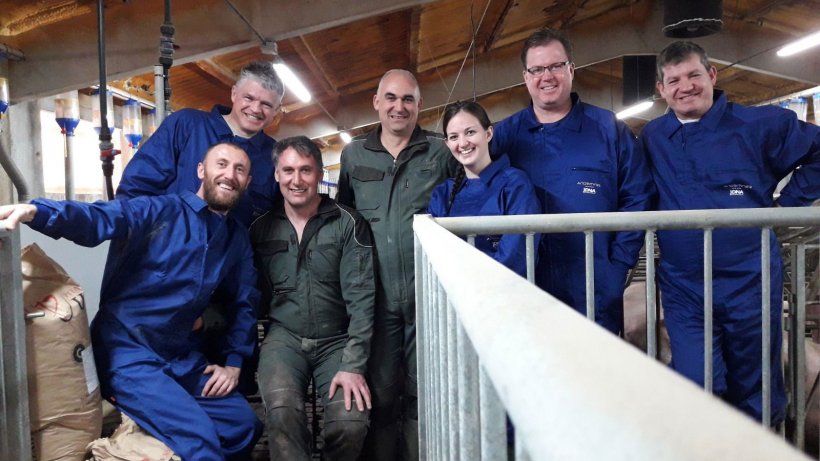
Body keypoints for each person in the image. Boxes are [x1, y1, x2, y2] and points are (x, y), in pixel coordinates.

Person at [0, 142, 263, 461]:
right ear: (201, 171)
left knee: (243, 426)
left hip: (178, 355)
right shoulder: (159, 211)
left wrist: (234, 363)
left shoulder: (236, 238)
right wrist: (38, 212)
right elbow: (100, 218)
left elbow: (245, 302)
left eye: (239, 170)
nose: (229, 174)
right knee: (200, 440)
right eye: (221, 164)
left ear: (247, 182)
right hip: (128, 353)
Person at [640, 40, 820, 424]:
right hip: (684, 286)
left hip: (749, 279)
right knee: (695, 380)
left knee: (755, 382)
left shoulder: (758, 124)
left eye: (693, 75)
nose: (685, 87)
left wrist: (786, 207)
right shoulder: (654, 137)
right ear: (661, 90)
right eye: (673, 80)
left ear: (712, 75)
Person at [491, 27, 655, 334]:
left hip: (594, 282)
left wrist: (617, 264)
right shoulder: (505, 136)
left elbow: (638, 196)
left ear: (571, 69)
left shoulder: (608, 129)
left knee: (594, 371)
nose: (547, 76)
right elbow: (480, 190)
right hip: (528, 282)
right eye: (537, 69)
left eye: (555, 66)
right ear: (526, 77)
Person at [336, 69, 457, 460]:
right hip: (378, 299)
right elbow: (343, 221)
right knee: (382, 392)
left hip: (428, 297)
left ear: (420, 105)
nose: (398, 107)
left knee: (428, 390)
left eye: (408, 99)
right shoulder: (353, 154)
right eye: (390, 97)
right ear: (376, 102)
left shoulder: (441, 151)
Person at [250, 136, 375, 461]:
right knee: (281, 413)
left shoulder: (348, 223)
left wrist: (353, 365)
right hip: (284, 339)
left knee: (349, 423)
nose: (296, 180)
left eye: (306, 170)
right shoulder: (261, 228)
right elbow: (246, 295)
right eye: (288, 170)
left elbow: (362, 301)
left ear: (319, 173)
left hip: (338, 340)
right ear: (276, 174)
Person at [117, 60, 284, 227]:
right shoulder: (186, 125)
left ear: (276, 110)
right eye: (248, 98)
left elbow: (281, 220)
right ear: (234, 94)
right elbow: (137, 187)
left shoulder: (276, 157)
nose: (255, 109)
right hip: (170, 249)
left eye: (266, 105)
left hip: (234, 252)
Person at [428, 101, 542, 277]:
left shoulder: (515, 185)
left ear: (488, 133)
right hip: (453, 297)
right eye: (454, 137)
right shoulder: (442, 194)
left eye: (470, 132)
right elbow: (436, 256)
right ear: (447, 143)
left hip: (502, 295)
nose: (463, 143)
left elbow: (517, 257)